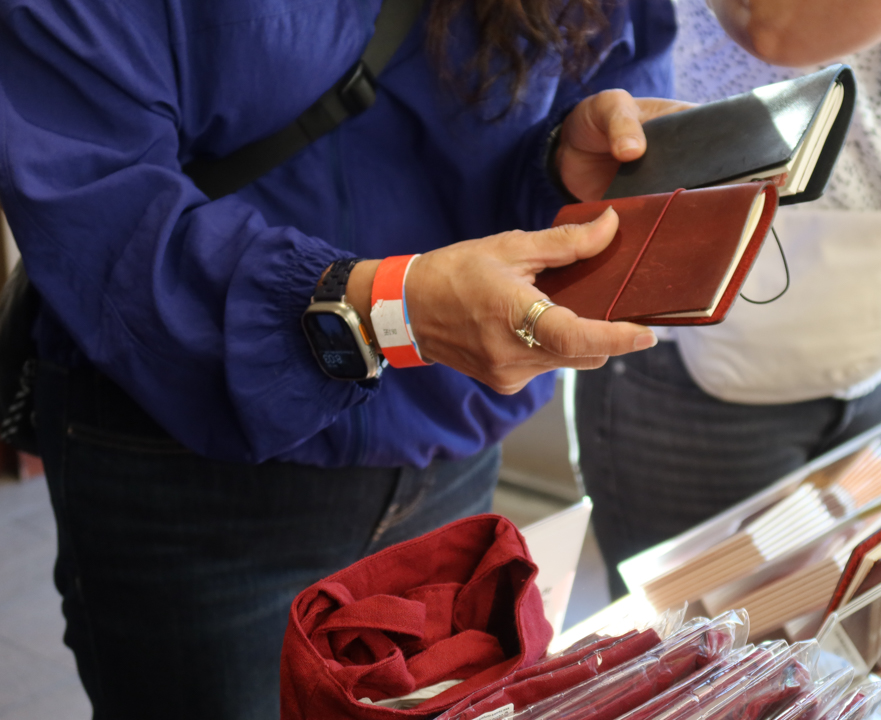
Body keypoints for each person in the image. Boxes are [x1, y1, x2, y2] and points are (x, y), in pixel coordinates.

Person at [0, 0, 683, 717]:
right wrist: (388, 309)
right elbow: (91, 194)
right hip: (192, 469)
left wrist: (558, 160)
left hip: (451, 445)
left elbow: (609, 60)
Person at [574, 0, 881, 599]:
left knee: (831, 618)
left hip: (872, 346)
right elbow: (776, 27)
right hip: (694, 368)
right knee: (692, 634)